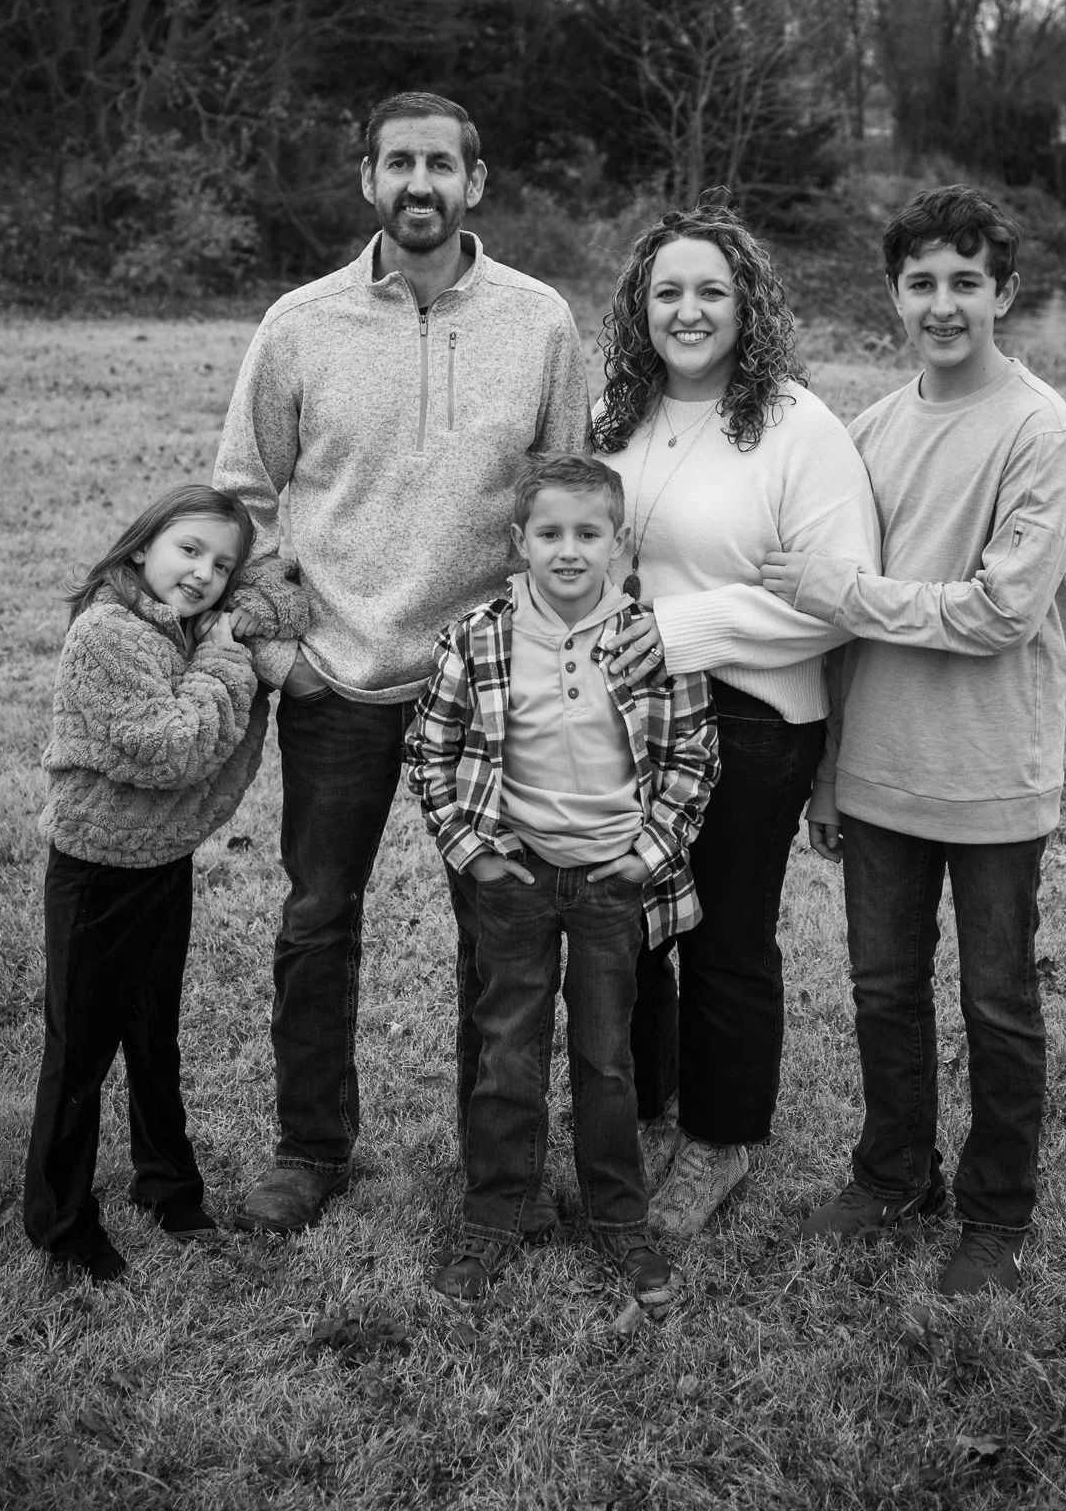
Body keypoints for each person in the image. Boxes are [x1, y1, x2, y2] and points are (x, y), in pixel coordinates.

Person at [214, 91, 590, 1235]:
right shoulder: (301, 323)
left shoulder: (540, 321)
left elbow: (568, 496)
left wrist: (538, 652)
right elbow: (239, 496)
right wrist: (279, 653)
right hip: (337, 677)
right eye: (398, 163)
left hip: (485, 686)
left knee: (503, 931)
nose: (419, 183)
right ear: (367, 178)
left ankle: (496, 1162)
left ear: (476, 181)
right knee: (317, 918)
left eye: (441, 164)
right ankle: (310, 1148)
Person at [761, 185, 1066, 1297]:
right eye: (921, 283)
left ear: (1006, 293)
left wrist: (845, 590)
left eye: (966, 282)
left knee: (997, 1003)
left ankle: (997, 1214)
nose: (942, 304)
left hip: (991, 767)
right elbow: (839, 632)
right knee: (883, 990)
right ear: (894, 296)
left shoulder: (1039, 430)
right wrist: (827, 771)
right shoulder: (867, 432)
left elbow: (1001, 611)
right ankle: (894, 1173)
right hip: (878, 771)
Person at [592, 199, 880, 1240]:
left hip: (752, 717)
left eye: (711, 290)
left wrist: (678, 629)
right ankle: (648, 1098)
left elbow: (836, 595)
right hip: (624, 713)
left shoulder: (798, 427)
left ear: (747, 303)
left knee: (723, 931)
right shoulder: (615, 414)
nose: (688, 309)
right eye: (667, 290)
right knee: (628, 918)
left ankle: (722, 1136)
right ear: (639, 306)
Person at [406, 453, 718, 1304]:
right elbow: (429, 749)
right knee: (506, 1049)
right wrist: (472, 851)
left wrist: (643, 857)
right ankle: (494, 1215)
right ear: (520, 541)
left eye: (588, 533)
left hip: (613, 883)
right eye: (549, 533)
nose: (569, 550)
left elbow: (692, 759)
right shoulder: (479, 636)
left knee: (606, 1057)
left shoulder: (654, 641)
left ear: (620, 542)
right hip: (516, 876)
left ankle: (619, 1221)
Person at [24, 485, 307, 1282]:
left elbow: (282, 596)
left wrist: (237, 610)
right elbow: (172, 746)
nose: (203, 574)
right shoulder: (107, 635)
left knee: (154, 1036)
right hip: (96, 872)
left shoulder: (184, 619)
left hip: (161, 860)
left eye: (221, 564)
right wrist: (224, 651)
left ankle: (168, 1186)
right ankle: (61, 1223)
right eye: (189, 550)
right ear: (142, 544)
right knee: (79, 1052)